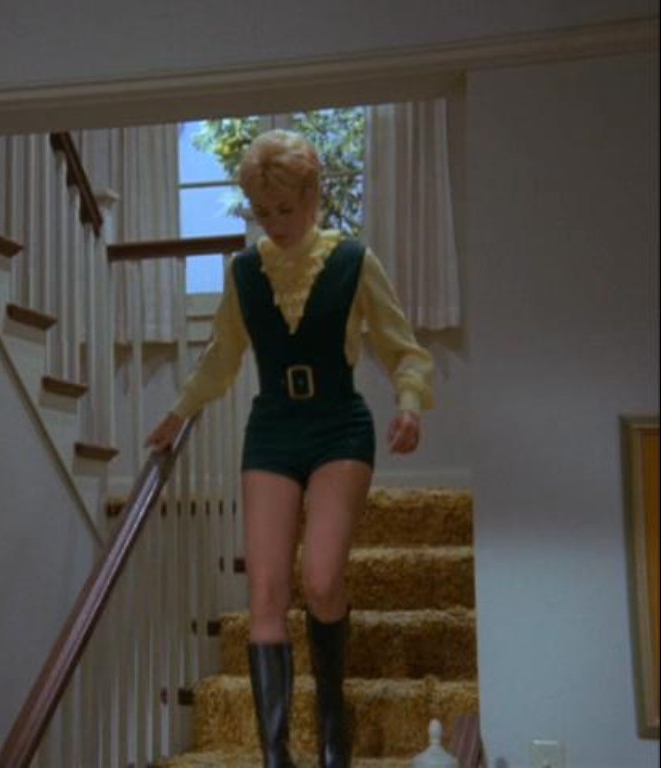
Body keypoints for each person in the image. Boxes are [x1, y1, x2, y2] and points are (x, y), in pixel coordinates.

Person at [146, 129, 434, 768]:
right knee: (266, 591)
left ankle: (334, 724)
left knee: (322, 581)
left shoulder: (354, 261)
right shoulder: (245, 273)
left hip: (339, 427)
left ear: (312, 199)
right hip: (273, 428)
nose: (275, 223)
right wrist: (178, 412)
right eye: (263, 212)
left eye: (286, 209)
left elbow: (403, 349)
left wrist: (410, 405)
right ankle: (275, 753)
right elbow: (222, 358)